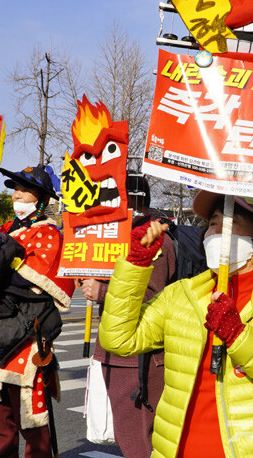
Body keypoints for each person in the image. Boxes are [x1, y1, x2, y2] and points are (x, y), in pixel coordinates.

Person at [99, 191, 253, 457]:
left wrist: (239, 336)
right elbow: (119, 339)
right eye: (212, 225)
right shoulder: (181, 295)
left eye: (229, 224)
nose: (215, 233)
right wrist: (135, 264)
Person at [0, 164, 73, 458]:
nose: (18, 195)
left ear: (42, 198)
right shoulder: (1, 230)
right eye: (15, 189)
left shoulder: (49, 233)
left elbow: (33, 281)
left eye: (25, 190)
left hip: (26, 335)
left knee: (31, 419)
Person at [81, 173, 174, 457]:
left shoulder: (153, 239)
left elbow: (155, 298)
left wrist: (103, 292)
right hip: (114, 352)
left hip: (139, 358)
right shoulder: (114, 238)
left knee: (140, 442)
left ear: (134, 200)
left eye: (111, 199)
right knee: (127, 438)